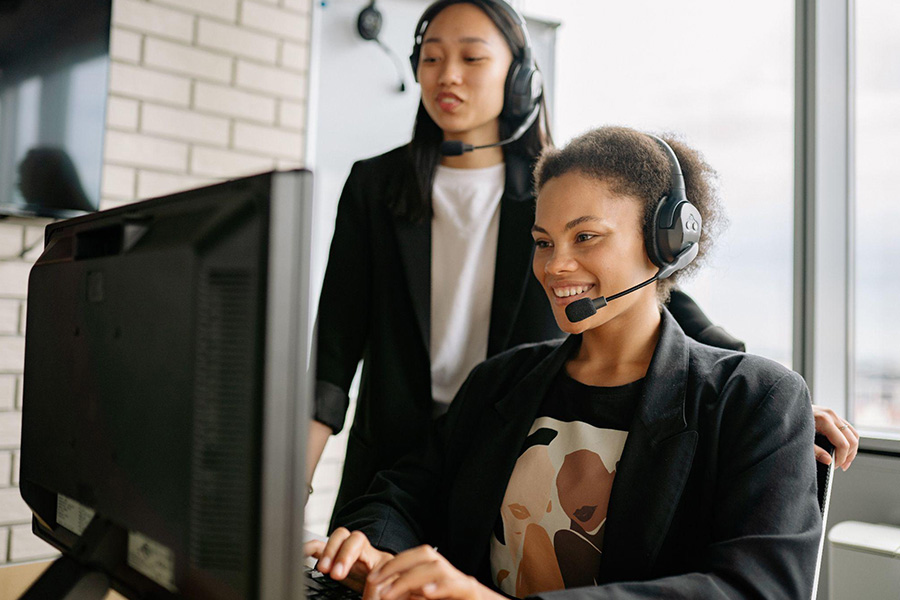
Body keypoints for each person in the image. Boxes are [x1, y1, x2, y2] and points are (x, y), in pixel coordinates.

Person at [308, 0, 857, 524]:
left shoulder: (555, 189)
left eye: (472, 57)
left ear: (521, 77)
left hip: (503, 447)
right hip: (394, 464)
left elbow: (653, 290)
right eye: (430, 58)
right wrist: (293, 484)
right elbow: (334, 350)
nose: (447, 75)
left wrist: (761, 411)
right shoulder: (374, 185)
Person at [306, 126, 822, 599]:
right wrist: (374, 550)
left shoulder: (755, 399)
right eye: (543, 242)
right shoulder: (500, 382)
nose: (555, 266)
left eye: (586, 237)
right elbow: (399, 494)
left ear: (665, 243)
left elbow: (759, 588)